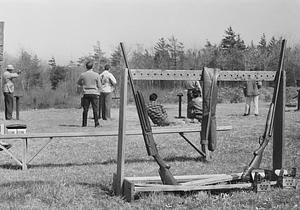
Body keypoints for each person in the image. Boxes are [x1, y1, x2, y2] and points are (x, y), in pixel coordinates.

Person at [77, 61, 101, 127]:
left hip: (86, 93)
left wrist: (84, 84)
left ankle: (84, 124)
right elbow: (99, 85)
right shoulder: (96, 75)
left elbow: (78, 83)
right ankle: (96, 123)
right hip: (94, 93)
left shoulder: (83, 75)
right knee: (95, 109)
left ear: (86, 67)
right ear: (92, 67)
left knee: (85, 109)